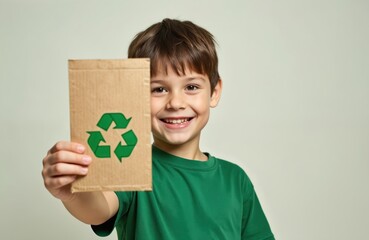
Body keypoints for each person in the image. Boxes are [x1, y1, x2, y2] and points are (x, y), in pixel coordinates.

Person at [42, 18, 275, 240]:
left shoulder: (236, 180)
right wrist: (73, 194)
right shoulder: (131, 167)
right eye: (159, 90)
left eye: (191, 87)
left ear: (214, 92)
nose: (175, 103)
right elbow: (99, 209)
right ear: (136, 96)